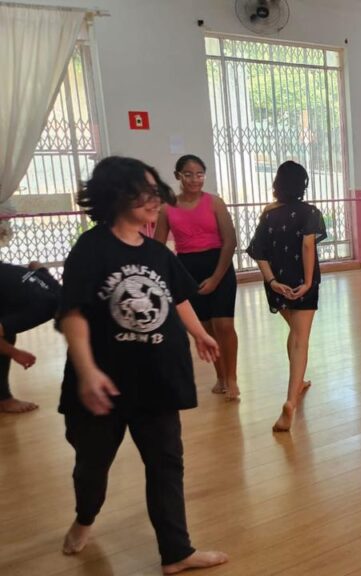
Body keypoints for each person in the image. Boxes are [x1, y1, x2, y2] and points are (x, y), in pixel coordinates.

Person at [57, 156, 228, 573]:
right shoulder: (90, 249)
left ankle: (176, 552)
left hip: (156, 381)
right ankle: (85, 516)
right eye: (145, 192)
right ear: (117, 195)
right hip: (104, 386)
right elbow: (73, 314)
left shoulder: (156, 253)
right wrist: (87, 371)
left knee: (166, 464)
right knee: (92, 466)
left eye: (156, 192)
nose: (155, 200)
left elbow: (177, 297)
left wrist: (198, 333)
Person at [245, 161, 327, 432]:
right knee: (301, 339)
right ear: (303, 184)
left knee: (294, 332)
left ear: (277, 184)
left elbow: (258, 251)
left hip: (277, 284)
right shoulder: (310, 212)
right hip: (303, 283)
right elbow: (307, 246)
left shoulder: (268, 214)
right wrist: (307, 282)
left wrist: (272, 281)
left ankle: (298, 381)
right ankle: (291, 401)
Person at [155, 155, 240, 401]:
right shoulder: (167, 208)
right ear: (178, 176)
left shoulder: (215, 203)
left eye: (200, 174)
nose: (195, 179)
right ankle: (220, 377)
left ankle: (232, 378)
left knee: (224, 325)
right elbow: (158, 247)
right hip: (188, 271)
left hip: (219, 267)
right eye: (189, 174)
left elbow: (230, 241)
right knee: (205, 329)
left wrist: (215, 278)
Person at [0, 261, 59, 413]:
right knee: (7, 337)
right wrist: (15, 353)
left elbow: (35, 264)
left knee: (7, 331)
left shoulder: (55, 288)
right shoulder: (41, 310)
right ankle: (4, 400)